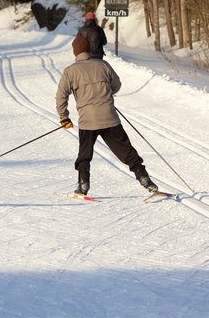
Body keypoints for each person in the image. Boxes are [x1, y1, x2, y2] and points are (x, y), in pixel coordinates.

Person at [56, 34, 157, 197]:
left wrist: (64, 116)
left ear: (75, 52)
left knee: (85, 155)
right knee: (126, 151)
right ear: (89, 49)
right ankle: (145, 178)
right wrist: (106, 93)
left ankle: (83, 185)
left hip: (88, 121)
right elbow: (116, 85)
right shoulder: (103, 65)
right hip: (109, 116)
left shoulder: (70, 71)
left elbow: (61, 95)